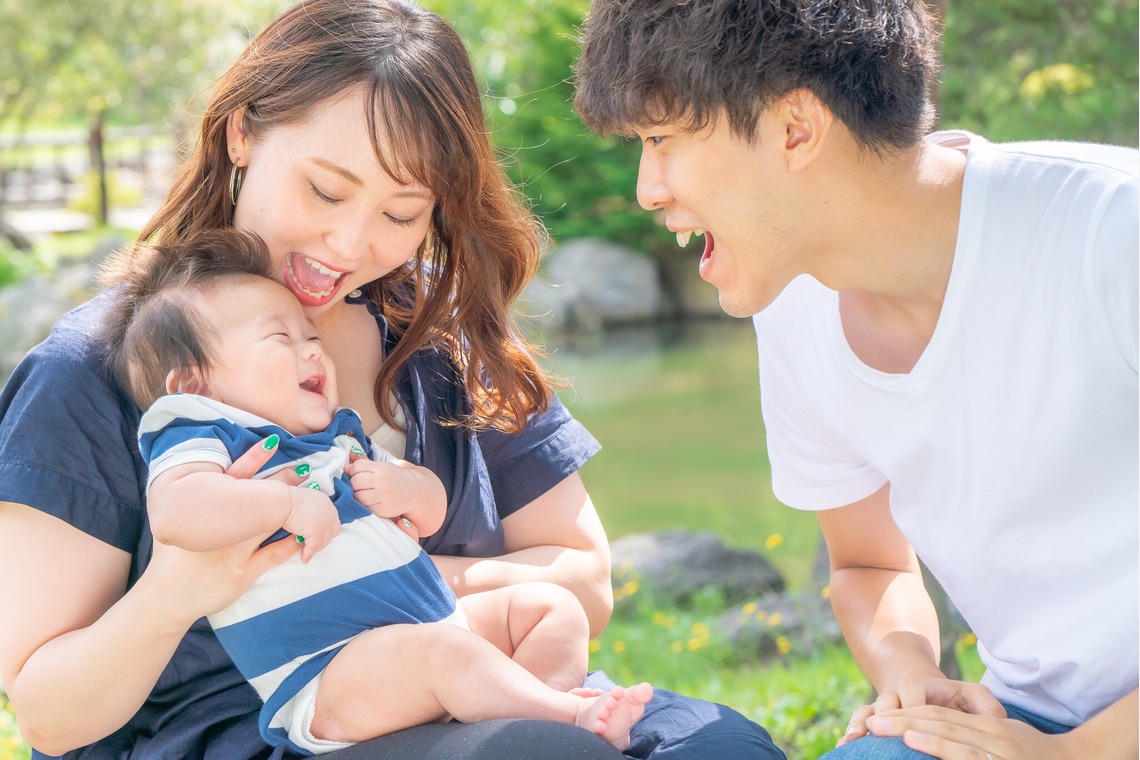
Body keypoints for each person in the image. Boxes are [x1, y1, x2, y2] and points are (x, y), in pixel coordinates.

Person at [0, 1, 786, 758]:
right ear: (243, 132)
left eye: (401, 214)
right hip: (253, 730)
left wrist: (373, 566)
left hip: (467, 673)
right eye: (326, 190)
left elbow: (582, 577)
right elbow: (48, 713)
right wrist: (177, 594)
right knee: (538, 751)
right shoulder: (94, 372)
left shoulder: (441, 336)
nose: (348, 242)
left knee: (722, 744)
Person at [573, 1, 1138, 759]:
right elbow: (869, 562)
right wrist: (908, 667)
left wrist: (1082, 753)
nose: (647, 188)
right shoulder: (796, 304)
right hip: (1019, 722)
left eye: (662, 140)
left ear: (795, 128)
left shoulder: (1111, 233)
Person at [100, 227, 653, 754]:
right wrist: (287, 503)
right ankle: (566, 721)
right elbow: (177, 511)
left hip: (429, 630)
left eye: (311, 336)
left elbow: (430, 514)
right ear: (194, 383)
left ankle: (532, 714)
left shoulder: (334, 438)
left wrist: (408, 487)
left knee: (549, 608)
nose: (314, 350)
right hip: (329, 676)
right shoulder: (198, 430)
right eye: (280, 337)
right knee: (442, 655)